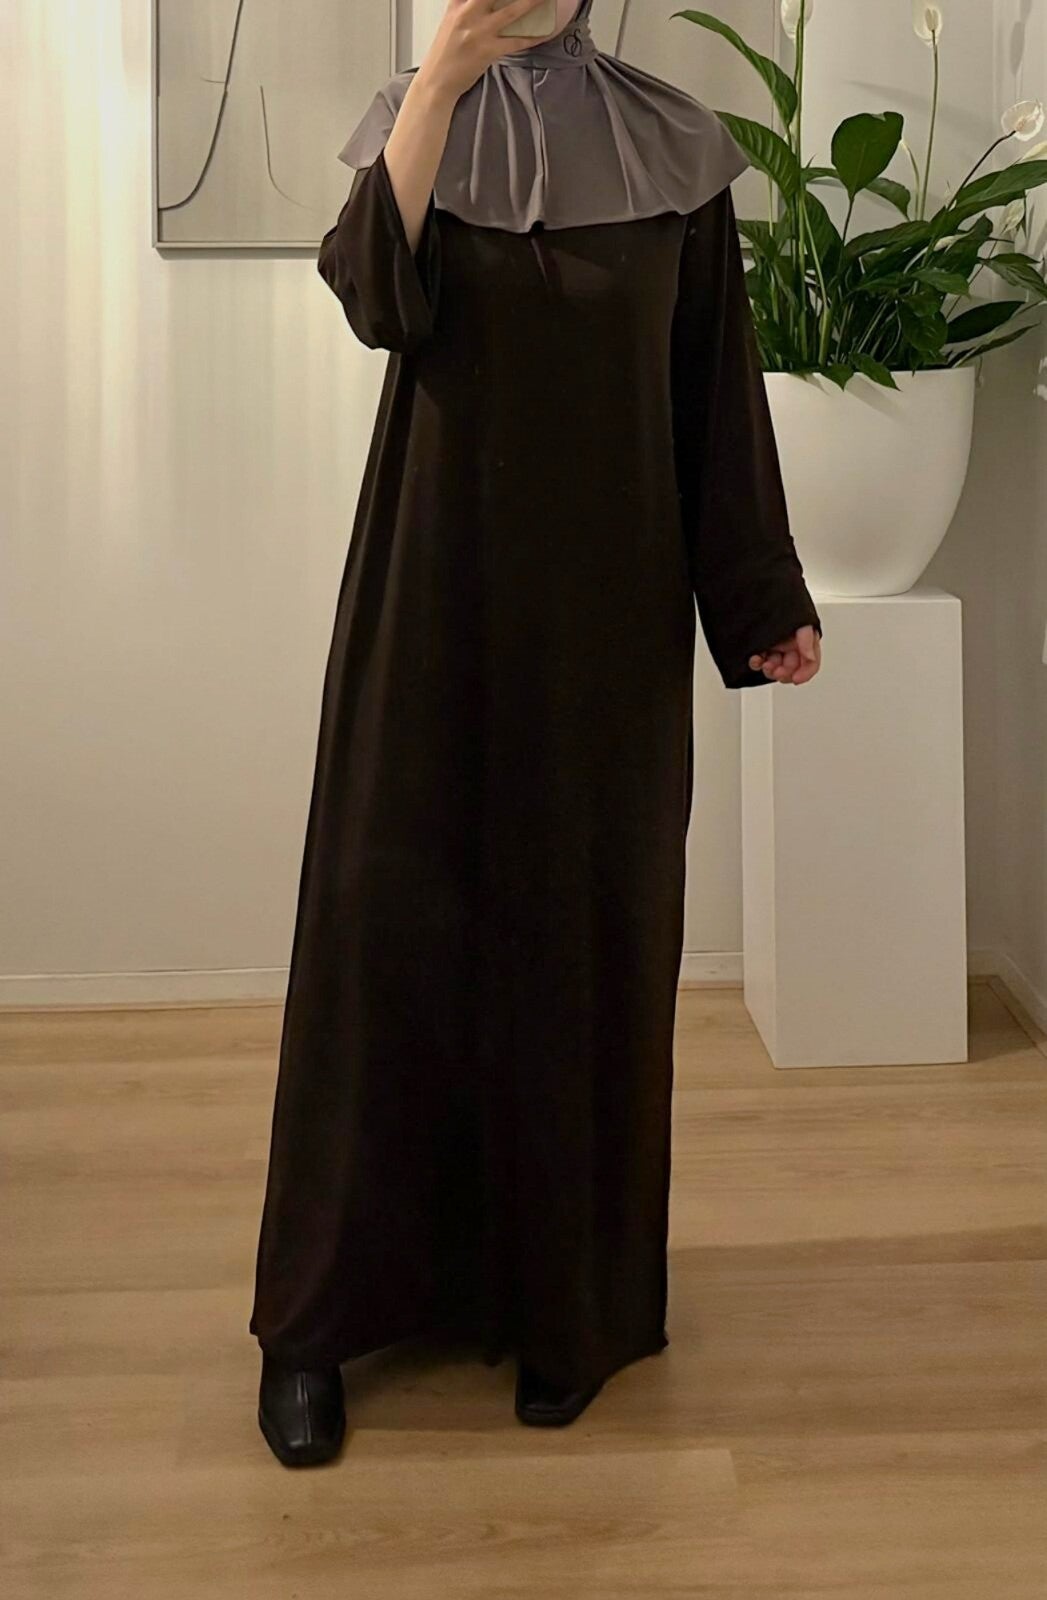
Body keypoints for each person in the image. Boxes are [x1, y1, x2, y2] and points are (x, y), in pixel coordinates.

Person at [250, 0, 823, 1468]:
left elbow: (713, 398)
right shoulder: (416, 117)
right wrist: (442, 77)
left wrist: (758, 596)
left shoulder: (673, 147)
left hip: (607, 632)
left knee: (581, 945)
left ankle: (567, 1310)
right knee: (383, 933)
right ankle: (314, 1326)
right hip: (430, 601)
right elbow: (375, 299)